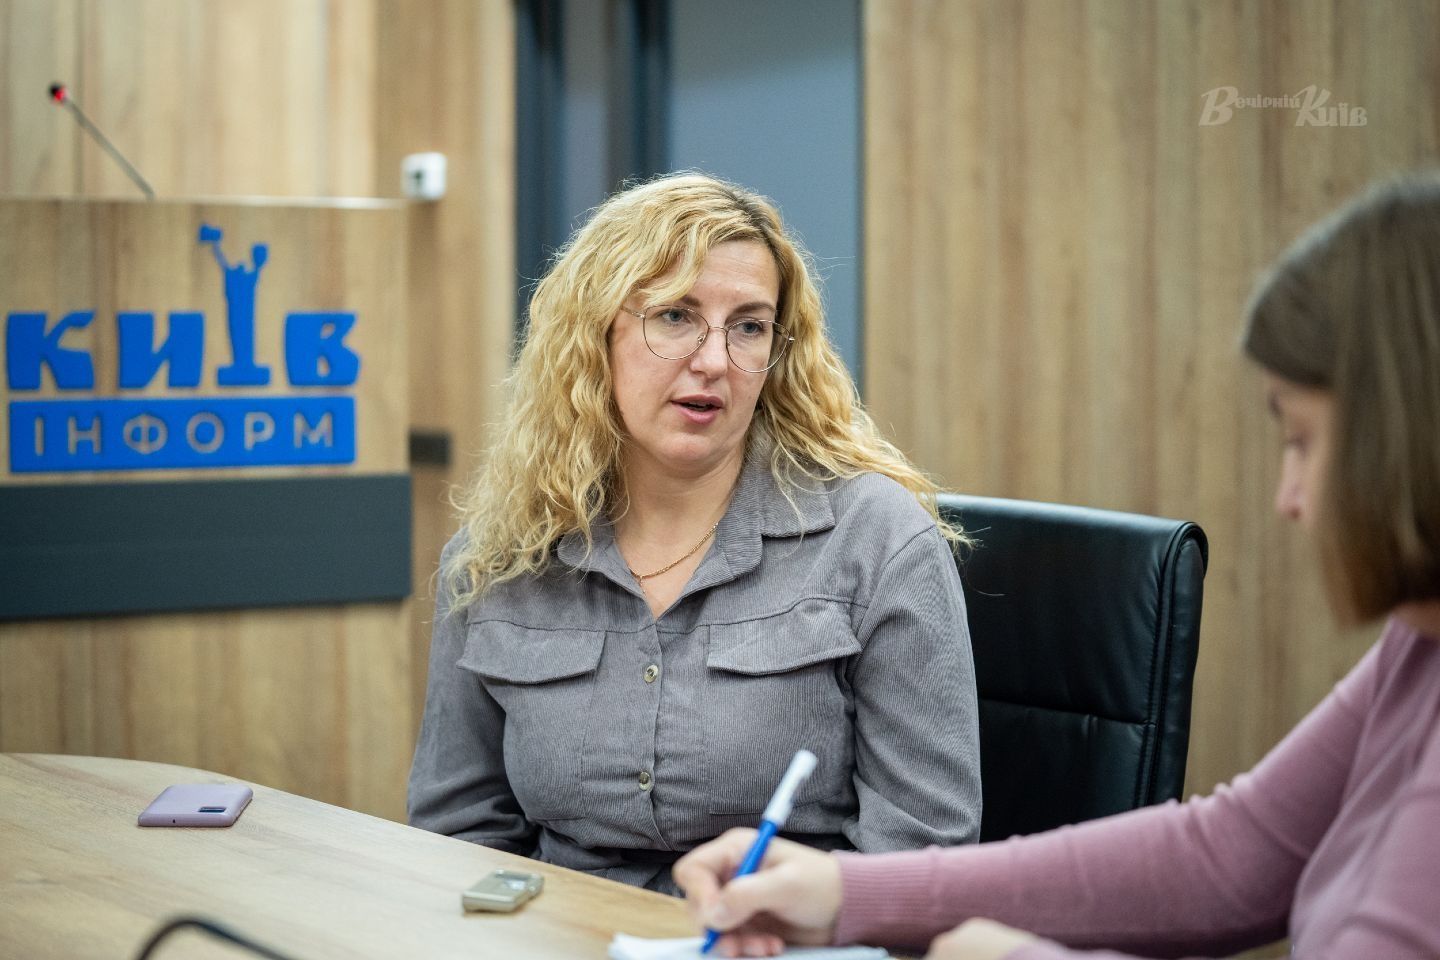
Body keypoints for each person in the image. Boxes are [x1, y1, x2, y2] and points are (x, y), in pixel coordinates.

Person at [674, 173, 1440, 958]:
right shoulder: (1419, 649)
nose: (1289, 496)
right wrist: (846, 894)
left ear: (1411, 437)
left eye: (1303, 440)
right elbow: (1229, 858)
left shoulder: (873, 531)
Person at [408, 173, 982, 894]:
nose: (713, 361)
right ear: (594, 336)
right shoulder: (500, 556)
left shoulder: (877, 539)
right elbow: (459, 831)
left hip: (779, 939)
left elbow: (921, 855)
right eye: (676, 316)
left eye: (749, 326)